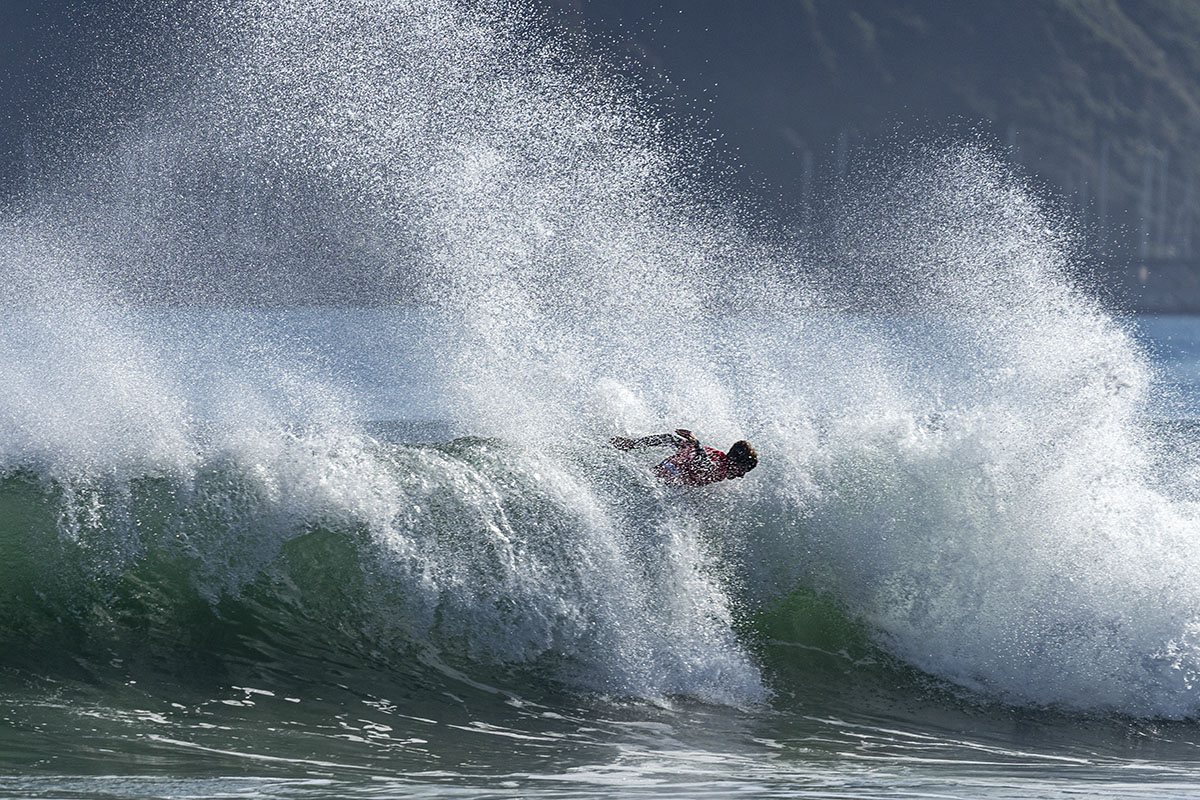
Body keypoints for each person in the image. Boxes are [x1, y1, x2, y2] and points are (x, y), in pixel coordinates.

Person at [610, 429, 758, 486]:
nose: (741, 476)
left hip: (657, 474)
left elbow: (669, 439)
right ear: (734, 461)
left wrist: (634, 444)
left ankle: (627, 445)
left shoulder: (714, 453)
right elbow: (706, 466)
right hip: (662, 481)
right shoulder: (720, 468)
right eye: (742, 470)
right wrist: (697, 444)